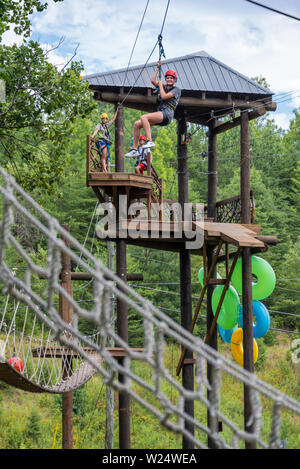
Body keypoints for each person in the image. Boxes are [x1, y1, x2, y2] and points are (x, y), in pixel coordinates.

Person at [125, 61, 181, 158]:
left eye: (171, 78)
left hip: (167, 113)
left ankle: (149, 141)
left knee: (144, 117)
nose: (169, 79)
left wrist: (160, 85)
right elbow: (152, 81)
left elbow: (164, 96)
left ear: (174, 80)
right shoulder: (164, 87)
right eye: (167, 78)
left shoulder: (176, 90)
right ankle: (134, 150)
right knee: (137, 124)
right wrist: (157, 69)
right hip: (161, 113)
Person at [91, 107, 119, 172]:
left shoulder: (106, 125)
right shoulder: (99, 125)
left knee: (105, 156)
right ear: (101, 119)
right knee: (104, 156)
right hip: (101, 141)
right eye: (103, 118)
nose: (104, 120)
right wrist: (92, 136)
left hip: (106, 142)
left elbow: (113, 120)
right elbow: (96, 131)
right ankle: (105, 170)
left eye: (105, 119)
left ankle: (103, 170)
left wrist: (116, 111)